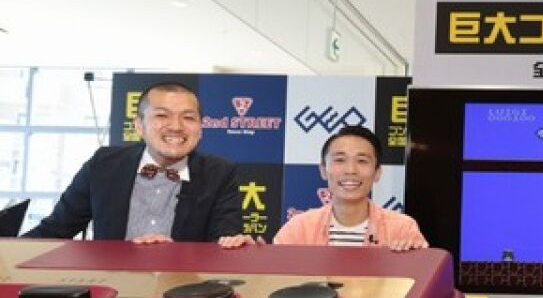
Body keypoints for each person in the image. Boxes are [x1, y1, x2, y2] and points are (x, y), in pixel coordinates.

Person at [23, 81, 240, 243]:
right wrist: (10, 251)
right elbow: (55, 230)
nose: (176, 126)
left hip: (183, 284)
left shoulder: (219, 173)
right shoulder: (103, 164)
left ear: (200, 128)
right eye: (162, 115)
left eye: (189, 117)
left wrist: (177, 254)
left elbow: (224, 239)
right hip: (112, 282)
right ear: (139, 125)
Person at [223, 125, 426, 251]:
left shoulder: (402, 228)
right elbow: (275, 279)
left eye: (362, 161)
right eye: (340, 160)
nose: (350, 170)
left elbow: (422, 286)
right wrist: (252, 257)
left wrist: (415, 257)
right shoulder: (299, 228)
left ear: (377, 172)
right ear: (323, 170)